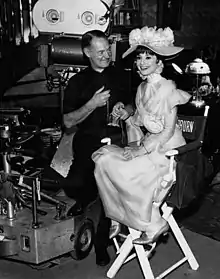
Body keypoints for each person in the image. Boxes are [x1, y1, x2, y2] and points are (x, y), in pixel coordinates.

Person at [92, 26, 191, 245]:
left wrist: (139, 150)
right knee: (102, 161)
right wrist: (124, 116)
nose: (142, 62)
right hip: (148, 147)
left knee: (123, 171)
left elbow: (166, 131)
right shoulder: (142, 88)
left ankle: (154, 223)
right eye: (139, 57)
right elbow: (138, 121)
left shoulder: (168, 89)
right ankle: (118, 216)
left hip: (167, 153)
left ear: (159, 62)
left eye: (149, 57)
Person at [62, 30, 132, 266]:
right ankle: (87, 195)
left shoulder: (121, 75)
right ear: (87, 52)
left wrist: (127, 109)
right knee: (73, 186)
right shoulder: (77, 82)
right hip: (87, 145)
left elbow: (135, 103)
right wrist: (91, 104)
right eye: (100, 51)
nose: (106, 56)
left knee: (107, 199)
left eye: (108, 50)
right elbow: (68, 121)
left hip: (115, 143)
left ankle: (101, 246)